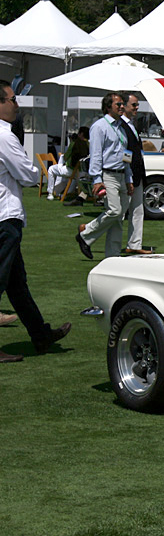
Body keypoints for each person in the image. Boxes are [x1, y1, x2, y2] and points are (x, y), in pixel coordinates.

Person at [0, 79, 71, 363]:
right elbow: (30, 175)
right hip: (5, 217)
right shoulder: (5, 136)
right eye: (12, 99)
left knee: (17, 284)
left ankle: (40, 335)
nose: (17, 104)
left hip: (6, 216)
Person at [75, 93, 133, 260]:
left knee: (119, 217)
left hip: (121, 174)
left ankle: (112, 256)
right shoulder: (99, 126)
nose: (122, 106)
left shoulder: (122, 127)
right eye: (118, 104)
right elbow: (96, 155)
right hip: (108, 174)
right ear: (108, 107)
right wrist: (97, 179)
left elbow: (126, 154)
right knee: (114, 211)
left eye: (122, 104)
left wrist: (128, 178)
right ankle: (85, 234)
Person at [120, 93, 152, 255]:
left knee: (138, 210)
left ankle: (134, 244)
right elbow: (126, 153)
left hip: (137, 174)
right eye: (134, 105)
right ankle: (87, 232)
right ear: (124, 106)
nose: (136, 108)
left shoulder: (131, 125)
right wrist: (128, 176)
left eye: (137, 105)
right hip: (128, 175)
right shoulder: (121, 126)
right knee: (118, 212)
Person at [62, 126, 91, 206]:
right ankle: (71, 194)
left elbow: (65, 157)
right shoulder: (89, 144)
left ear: (81, 134)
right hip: (85, 171)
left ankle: (55, 193)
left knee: (52, 169)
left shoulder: (75, 143)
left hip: (75, 170)